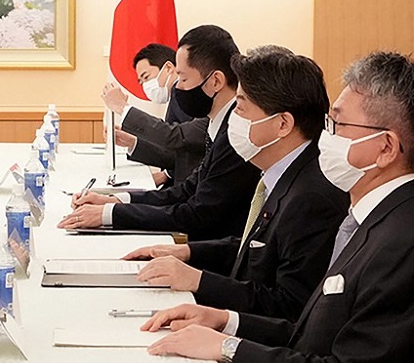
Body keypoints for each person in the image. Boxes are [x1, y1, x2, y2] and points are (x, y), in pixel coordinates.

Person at [143, 51, 414, 363]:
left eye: (337, 125)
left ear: (385, 148)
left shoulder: (401, 240)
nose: (326, 136)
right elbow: (312, 336)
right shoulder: (371, 217)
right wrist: (223, 322)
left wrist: (228, 349)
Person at [124, 47, 349, 320]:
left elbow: (289, 306)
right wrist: (186, 252)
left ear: (282, 124)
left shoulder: (312, 197)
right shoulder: (280, 171)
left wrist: (198, 281)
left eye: (241, 108)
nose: (234, 119)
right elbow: (253, 248)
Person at [60, 25, 260, 241]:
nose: (178, 89)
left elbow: (196, 214)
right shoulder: (219, 125)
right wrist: (114, 201)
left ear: (216, 81)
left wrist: (109, 214)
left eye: (183, 79)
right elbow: (184, 192)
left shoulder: (235, 133)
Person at [105, 44, 208, 185]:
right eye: (141, 82)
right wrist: (132, 142)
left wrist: (123, 107)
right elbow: (180, 150)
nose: (145, 86)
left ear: (168, 68)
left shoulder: (184, 95)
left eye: (146, 77)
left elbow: (179, 138)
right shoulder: (175, 97)